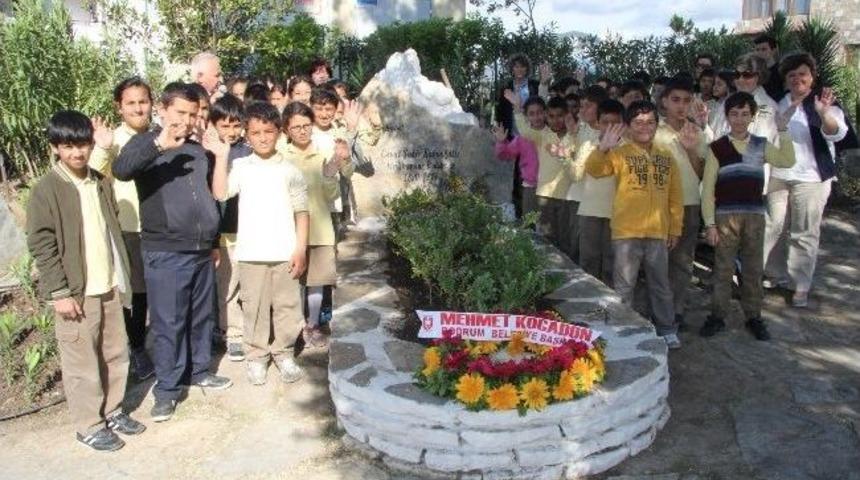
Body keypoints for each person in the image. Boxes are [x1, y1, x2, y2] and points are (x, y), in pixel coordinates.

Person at [113, 82, 232, 423]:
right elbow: (121, 170)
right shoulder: (145, 143)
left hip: (200, 250)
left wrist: (220, 156)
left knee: (199, 318)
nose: (188, 120)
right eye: (181, 112)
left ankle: (198, 371)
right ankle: (167, 389)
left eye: (194, 114)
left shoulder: (197, 150)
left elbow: (216, 196)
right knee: (168, 322)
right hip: (165, 251)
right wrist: (157, 144)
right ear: (162, 110)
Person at [28, 110, 144, 451]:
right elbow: (42, 243)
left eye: (82, 145)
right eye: (68, 146)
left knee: (115, 353)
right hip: (76, 292)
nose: (77, 153)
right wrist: (60, 291)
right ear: (55, 148)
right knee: (81, 362)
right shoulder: (46, 189)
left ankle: (112, 410)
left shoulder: (99, 181)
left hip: (107, 284)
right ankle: (88, 424)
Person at [211, 101, 310, 384]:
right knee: (253, 306)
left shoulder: (290, 170)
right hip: (251, 253)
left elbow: (302, 213)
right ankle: (257, 356)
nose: (263, 137)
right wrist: (220, 157)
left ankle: (284, 352)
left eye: (268, 131)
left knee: (287, 306)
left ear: (279, 132)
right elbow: (220, 194)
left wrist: (300, 249)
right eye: (256, 132)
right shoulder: (241, 166)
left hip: (284, 251)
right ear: (247, 134)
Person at [585, 100, 684, 349]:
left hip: (658, 232)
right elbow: (595, 170)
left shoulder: (666, 156)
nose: (644, 127)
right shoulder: (619, 154)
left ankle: (666, 328)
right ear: (628, 126)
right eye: (638, 122)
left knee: (660, 284)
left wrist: (674, 229)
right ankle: (622, 328)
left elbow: (675, 195)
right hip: (626, 233)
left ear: (656, 125)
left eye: (650, 122)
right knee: (624, 286)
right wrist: (603, 149)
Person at [699, 92, 795, 340]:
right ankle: (717, 316)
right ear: (727, 116)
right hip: (725, 218)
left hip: (754, 216)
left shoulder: (761, 144)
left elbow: (787, 160)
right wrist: (709, 224)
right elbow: (708, 188)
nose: (739, 119)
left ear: (752, 116)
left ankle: (754, 316)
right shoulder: (717, 148)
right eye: (734, 114)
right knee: (723, 268)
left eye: (744, 114)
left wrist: (783, 131)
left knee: (753, 269)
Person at [763, 53, 850, 307]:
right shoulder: (779, 103)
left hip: (811, 177)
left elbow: (835, 133)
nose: (797, 79)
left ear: (812, 76)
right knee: (774, 227)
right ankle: (773, 274)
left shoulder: (824, 103)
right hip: (779, 174)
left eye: (802, 73)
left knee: (804, 231)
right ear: (785, 80)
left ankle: (800, 285)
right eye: (791, 75)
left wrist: (823, 114)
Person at [88, 77, 155, 382]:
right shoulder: (111, 140)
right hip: (131, 229)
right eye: (131, 103)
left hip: (162, 228)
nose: (138, 108)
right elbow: (92, 177)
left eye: (143, 101)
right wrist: (102, 149)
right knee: (137, 295)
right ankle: (138, 349)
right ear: (119, 107)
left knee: (163, 292)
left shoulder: (161, 136)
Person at [281, 102, 349, 348]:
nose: (302, 131)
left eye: (306, 125)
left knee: (316, 281)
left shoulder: (323, 153)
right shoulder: (280, 155)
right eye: (296, 127)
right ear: (286, 130)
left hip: (319, 227)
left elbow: (331, 195)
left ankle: (312, 325)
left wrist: (331, 172)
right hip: (288, 229)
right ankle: (293, 328)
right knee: (290, 283)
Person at [655, 77, 709, 332]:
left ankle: (676, 311)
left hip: (688, 203)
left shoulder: (696, 132)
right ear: (664, 101)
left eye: (687, 100)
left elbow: (702, 172)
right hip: (658, 205)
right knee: (657, 261)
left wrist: (689, 149)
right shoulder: (652, 130)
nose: (681, 106)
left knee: (683, 261)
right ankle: (658, 312)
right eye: (675, 100)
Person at [210, 94, 252, 362]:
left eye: (236, 125)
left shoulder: (248, 152)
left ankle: (239, 328)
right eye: (224, 126)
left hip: (247, 228)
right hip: (222, 231)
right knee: (227, 284)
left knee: (245, 283)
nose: (231, 131)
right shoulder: (209, 153)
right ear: (213, 125)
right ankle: (231, 332)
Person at [507, 93, 577, 254]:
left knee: (565, 238)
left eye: (560, 116)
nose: (556, 120)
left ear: (567, 115)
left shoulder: (573, 136)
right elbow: (524, 131)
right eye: (551, 116)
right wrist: (517, 109)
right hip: (545, 195)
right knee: (547, 238)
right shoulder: (542, 135)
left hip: (566, 195)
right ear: (547, 116)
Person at [576, 99, 625, 285]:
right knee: (589, 260)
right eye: (605, 122)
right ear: (597, 123)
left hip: (618, 215)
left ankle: (610, 306)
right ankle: (588, 304)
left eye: (616, 123)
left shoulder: (629, 149)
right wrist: (602, 148)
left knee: (612, 264)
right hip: (590, 211)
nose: (610, 127)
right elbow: (583, 171)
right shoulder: (588, 146)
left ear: (624, 124)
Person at [495, 54, 540, 219]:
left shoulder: (534, 85)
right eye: (516, 66)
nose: (519, 69)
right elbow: (500, 110)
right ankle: (519, 211)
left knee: (530, 173)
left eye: (522, 66)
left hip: (532, 135)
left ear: (527, 68)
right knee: (515, 176)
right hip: (514, 135)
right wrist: (501, 132)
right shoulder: (506, 88)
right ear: (512, 69)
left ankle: (532, 213)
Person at [492, 121, 539, 218]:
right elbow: (505, 154)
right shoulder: (523, 138)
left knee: (550, 227)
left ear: (544, 113)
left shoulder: (553, 135)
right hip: (530, 188)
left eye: (539, 112)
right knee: (529, 224)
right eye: (531, 114)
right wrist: (501, 142)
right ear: (527, 117)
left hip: (550, 188)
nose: (536, 117)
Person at [754, 34, 785, 101]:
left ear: (773, 50)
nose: (760, 53)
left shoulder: (781, 70)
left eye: (764, 49)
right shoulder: (753, 72)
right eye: (757, 50)